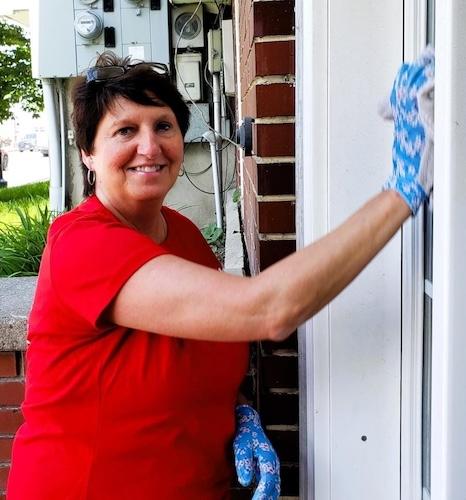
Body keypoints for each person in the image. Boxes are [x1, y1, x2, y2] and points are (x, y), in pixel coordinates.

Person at [7, 47, 434, 500]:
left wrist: (239, 411)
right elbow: (267, 310)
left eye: (163, 126)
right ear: (88, 153)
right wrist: (401, 192)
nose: (149, 147)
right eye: (125, 130)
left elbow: (202, 345)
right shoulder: (82, 243)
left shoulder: (185, 236)